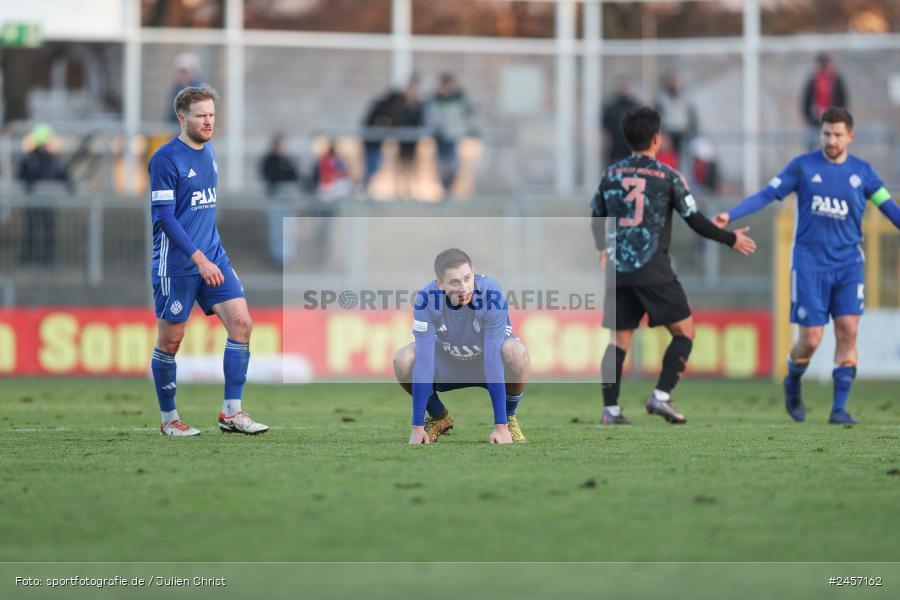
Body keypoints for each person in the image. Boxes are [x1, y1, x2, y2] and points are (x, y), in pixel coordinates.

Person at [714, 107, 900, 425]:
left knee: (848, 330)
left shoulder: (864, 173)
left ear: (850, 137)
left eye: (838, 134)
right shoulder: (803, 167)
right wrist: (730, 215)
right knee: (812, 338)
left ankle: (839, 409)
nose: (831, 140)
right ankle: (793, 380)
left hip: (849, 264)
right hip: (810, 264)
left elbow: (889, 208)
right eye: (826, 133)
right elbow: (767, 194)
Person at [591, 107, 756, 425]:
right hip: (653, 268)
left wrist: (602, 247)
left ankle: (611, 410)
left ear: (627, 139)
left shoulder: (610, 174)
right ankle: (661, 396)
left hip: (619, 269)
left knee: (617, 340)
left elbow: (596, 214)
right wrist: (729, 239)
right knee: (685, 331)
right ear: (656, 139)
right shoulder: (668, 176)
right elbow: (694, 220)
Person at [149, 86, 268, 436]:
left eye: (212, 115)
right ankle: (169, 419)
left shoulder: (209, 152)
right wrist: (198, 259)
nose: (208, 122)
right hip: (179, 264)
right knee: (171, 341)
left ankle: (232, 412)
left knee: (242, 324)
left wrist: (208, 256)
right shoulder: (164, 159)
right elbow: (166, 219)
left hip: (213, 257)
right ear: (182, 118)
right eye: (201, 115)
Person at [392, 248, 530, 444]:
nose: (464, 288)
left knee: (516, 352)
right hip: (449, 364)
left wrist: (500, 427)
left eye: (467, 278)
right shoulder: (426, 299)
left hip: (486, 364)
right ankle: (439, 416)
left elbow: (492, 357)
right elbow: (424, 361)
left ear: (473, 272)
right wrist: (417, 427)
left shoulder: (492, 293)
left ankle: (508, 419)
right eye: (455, 282)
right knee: (403, 359)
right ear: (440, 284)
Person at [17, 123, 70, 266]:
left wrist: (70, 184)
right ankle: (30, 256)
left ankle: (48, 256)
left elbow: (62, 175)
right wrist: (29, 180)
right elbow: (22, 176)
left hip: (48, 200)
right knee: (32, 230)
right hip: (33, 201)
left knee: (49, 230)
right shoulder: (30, 159)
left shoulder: (53, 159)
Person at [426, 73, 475, 195]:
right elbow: (431, 119)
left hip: (453, 138)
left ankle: (449, 189)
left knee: (453, 166)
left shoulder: (459, 99)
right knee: (441, 167)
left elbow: (467, 116)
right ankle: (444, 189)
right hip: (440, 139)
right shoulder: (434, 99)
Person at [260, 134, 301, 267]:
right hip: (275, 199)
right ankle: (277, 257)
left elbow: (294, 176)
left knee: (288, 229)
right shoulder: (269, 160)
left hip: (287, 199)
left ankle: (288, 256)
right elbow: (269, 176)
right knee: (277, 229)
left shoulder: (287, 160)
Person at [802, 53, 847, 151]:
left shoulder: (835, 80)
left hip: (832, 122)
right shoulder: (813, 80)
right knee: (812, 149)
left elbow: (842, 100)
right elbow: (806, 101)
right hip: (815, 122)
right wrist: (810, 117)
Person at [655, 73, 697, 164]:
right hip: (668, 132)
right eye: (672, 81)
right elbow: (658, 115)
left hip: (683, 131)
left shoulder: (686, 96)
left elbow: (691, 114)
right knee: (669, 157)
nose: (674, 84)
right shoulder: (662, 98)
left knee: (684, 157)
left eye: (676, 82)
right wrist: (661, 131)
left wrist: (692, 130)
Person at [601, 78, 640, 166]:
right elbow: (605, 124)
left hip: (631, 143)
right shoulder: (611, 106)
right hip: (616, 143)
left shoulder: (634, 105)